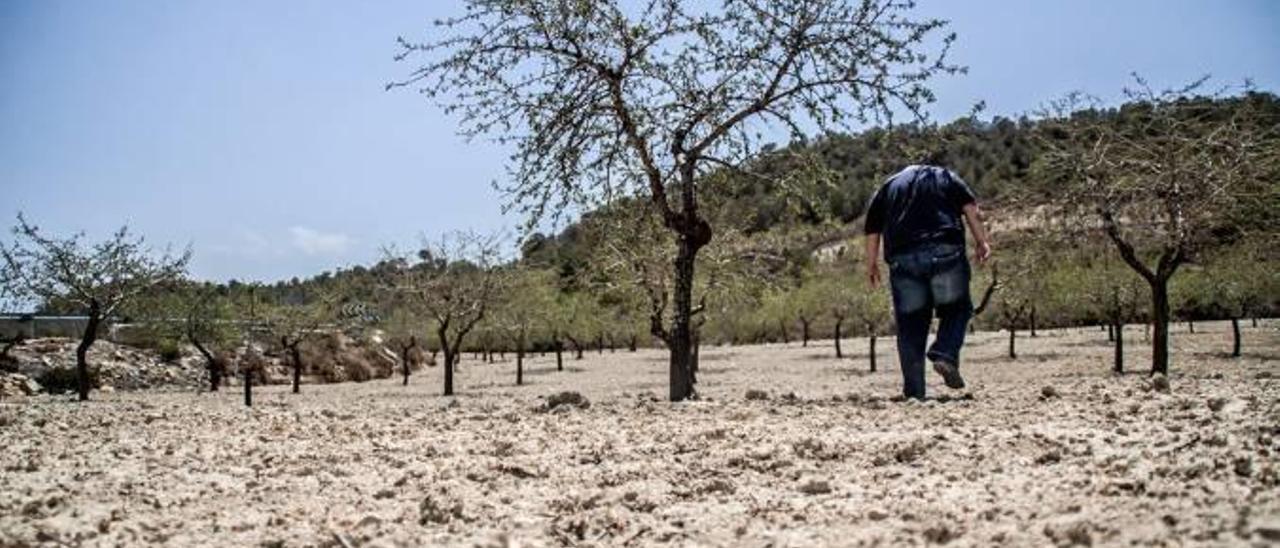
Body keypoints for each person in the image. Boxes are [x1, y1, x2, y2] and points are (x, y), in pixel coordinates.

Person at [863, 163, 991, 400]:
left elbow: (872, 228)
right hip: (945, 251)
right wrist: (981, 241)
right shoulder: (945, 176)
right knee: (958, 308)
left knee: (911, 326)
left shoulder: (888, 186)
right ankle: (944, 352)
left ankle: (914, 393)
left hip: (903, 259)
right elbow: (970, 208)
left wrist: (871, 263)